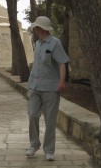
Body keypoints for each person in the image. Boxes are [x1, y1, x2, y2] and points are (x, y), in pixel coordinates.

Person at [26, 16, 70, 161]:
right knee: (32, 114)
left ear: (40, 29)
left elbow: (62, 63)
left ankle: (49, 150)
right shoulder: (37, 43)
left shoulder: (55, 43)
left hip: (51, 87)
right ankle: (34, 144)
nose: (34, 30)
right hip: (35, 86)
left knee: (50, 120)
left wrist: (61, 82)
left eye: (35, 28)